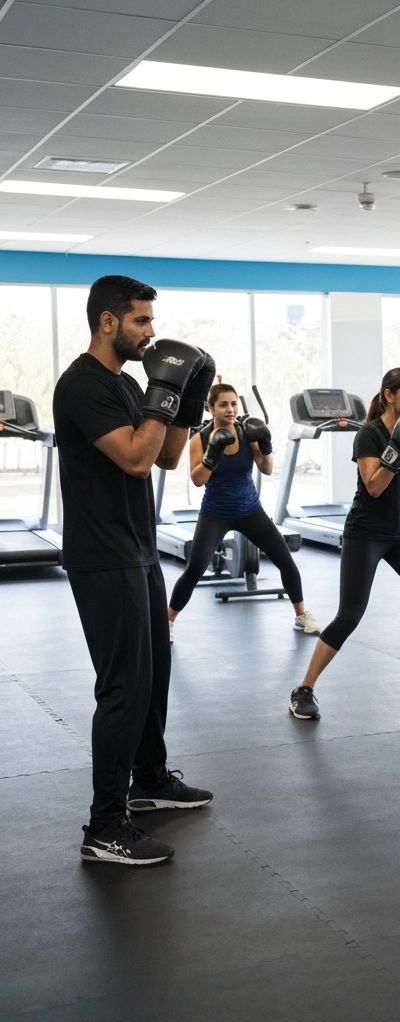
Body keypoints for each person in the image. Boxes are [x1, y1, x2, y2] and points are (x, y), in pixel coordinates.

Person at [53, 275, 216, 867]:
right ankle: (104, 826)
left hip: (139, 549)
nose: (150, 333)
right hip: (104, 556)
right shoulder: (81, 385)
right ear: (108, 322)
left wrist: (187, 396)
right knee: (123, 685)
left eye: (150, 322)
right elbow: (134, 457)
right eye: (141, 322)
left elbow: (169, 456)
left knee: (154, 673)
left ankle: (148, 778)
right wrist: (164, 387)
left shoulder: (126, 384)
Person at [288, 367, 400, 721]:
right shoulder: (369, 434)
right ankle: (303, 689)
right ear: (389, 395)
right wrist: (398, 445)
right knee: (349, 615)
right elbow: (374, 486)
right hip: (365, 534)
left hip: (399, 532)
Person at [166, 383, 320, 641]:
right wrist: (211, 454)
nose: (230, 409)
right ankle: (167, 621)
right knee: (194, 569)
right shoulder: (199, 439)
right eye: (223, 404)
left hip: (250, 509)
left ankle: (301, 615)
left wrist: (266, 443)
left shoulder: (247, 432)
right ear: (210, 408)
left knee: (285, 560)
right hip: (216, 512)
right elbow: (197, 480)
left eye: (234, 403)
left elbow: (267, 469)